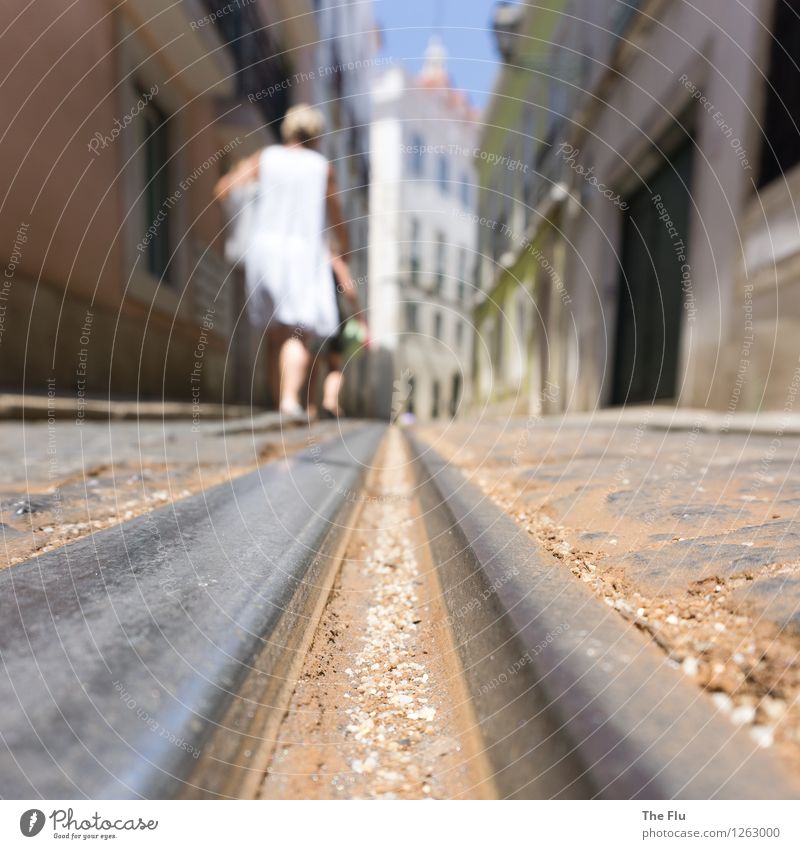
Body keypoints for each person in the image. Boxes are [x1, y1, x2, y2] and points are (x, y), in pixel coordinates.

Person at [214, 104, 359, 420]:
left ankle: (278, 400)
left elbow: (223, 189)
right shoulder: (321, 168)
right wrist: (344, 250)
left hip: (264, 251)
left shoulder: (266, 159)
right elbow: (337, 219)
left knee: (275, 332)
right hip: (302, 254)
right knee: (297, 332)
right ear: (317, 136)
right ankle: (289, 402)